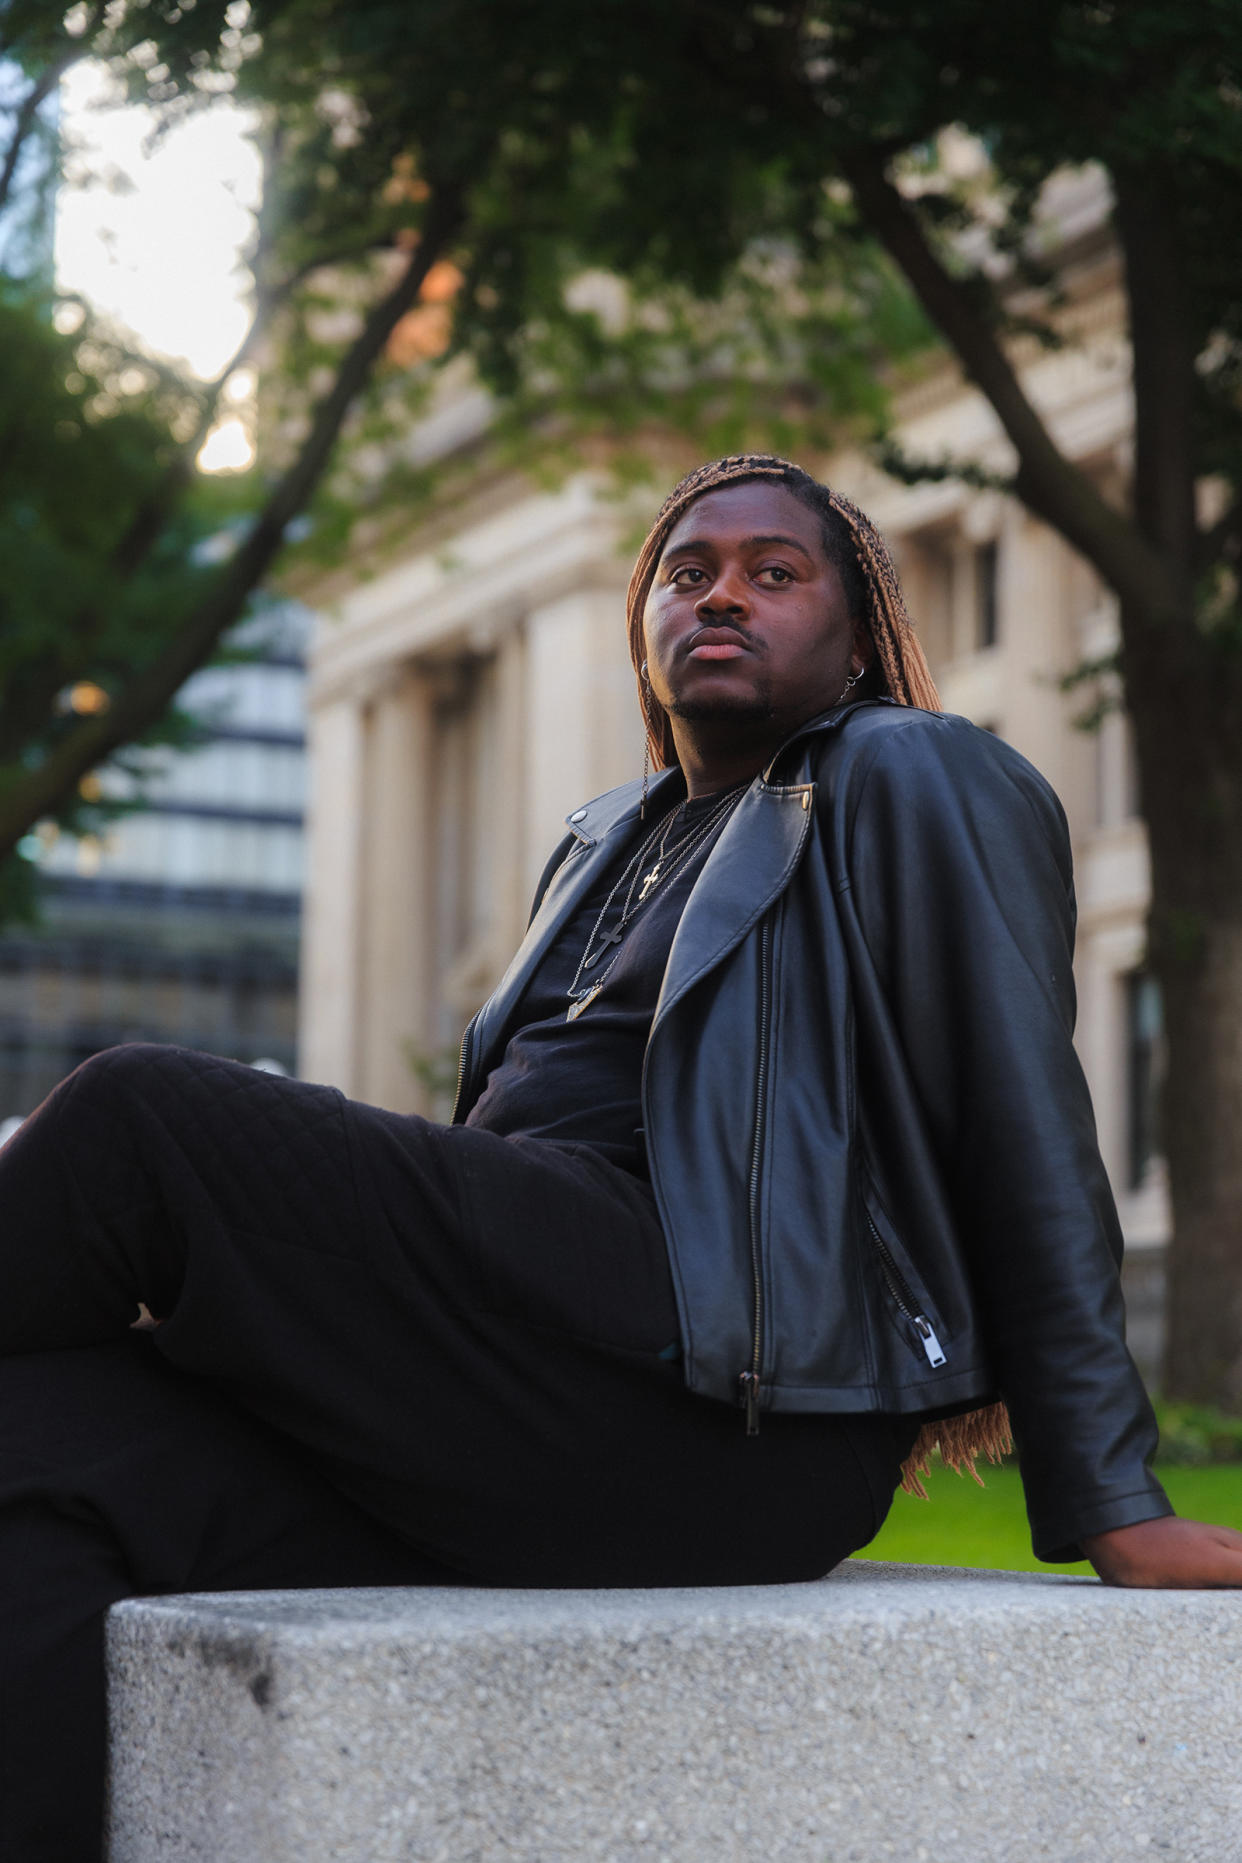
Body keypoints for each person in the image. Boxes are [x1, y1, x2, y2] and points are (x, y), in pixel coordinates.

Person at [3, 453, 1241, 1859]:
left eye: (775, 575)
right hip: (528, 1377)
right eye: (685, 572)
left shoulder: (904, 767)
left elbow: (1022, 1118)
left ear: (855, 636)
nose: (721, 596)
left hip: (722, 1395)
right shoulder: (604, 837)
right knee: (41, 1447)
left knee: (138, 1117)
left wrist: (1111, 1498)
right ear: (641, 626)